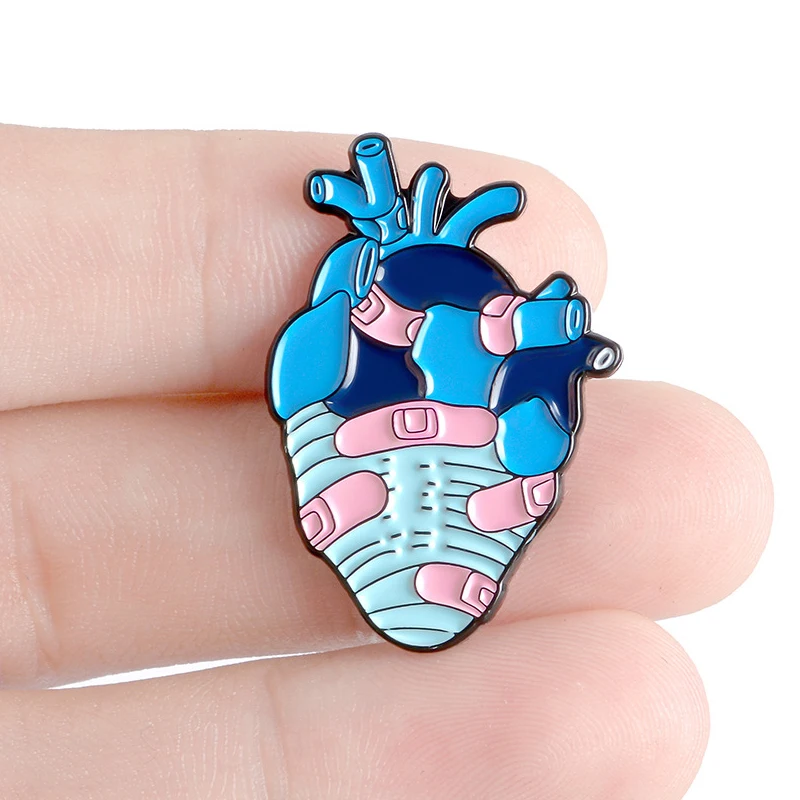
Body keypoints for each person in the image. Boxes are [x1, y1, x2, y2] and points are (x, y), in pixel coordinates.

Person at [0, 125, 773, 799]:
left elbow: (343, 385)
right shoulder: (359, 346)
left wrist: (517, 363)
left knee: (491, 424)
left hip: (425, 471)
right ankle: (446, 511)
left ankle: (445, 510)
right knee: (452, 428)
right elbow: (321, 382)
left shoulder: (433, 348)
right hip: (405, 471)